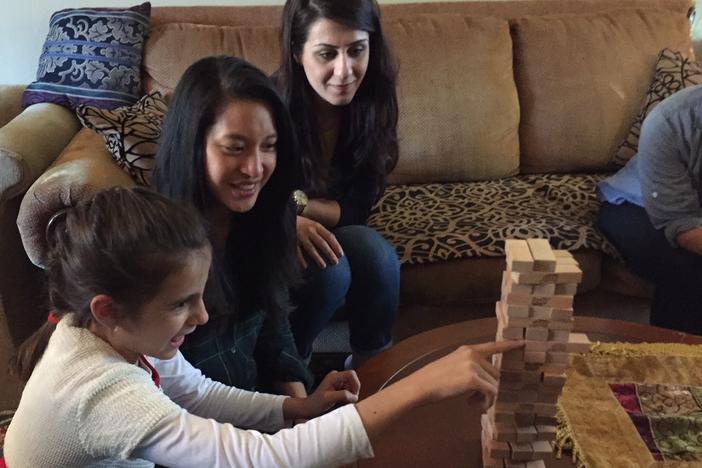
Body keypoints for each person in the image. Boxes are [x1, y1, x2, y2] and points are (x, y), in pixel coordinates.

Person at [4, 186, 524, 467]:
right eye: (182, 304)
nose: (202, 317)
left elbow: (198, 393)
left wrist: (298, 408)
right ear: (107, 309)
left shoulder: (114, 333)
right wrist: (423, 385)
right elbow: (261, 459)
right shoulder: (102, 392)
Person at [153, 56, 312, 396]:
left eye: (269, 147)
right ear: (193, 147)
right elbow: (176, 394)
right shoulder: (156, 243)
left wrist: (303, 409)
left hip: (253, 409)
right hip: (191, 427)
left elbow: (275, 330)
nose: (255, 168)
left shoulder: (271, 214)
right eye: (235, 149)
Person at [274, 0, 401, 368]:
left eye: (356, 50)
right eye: (327, 54)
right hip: (265, 232)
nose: (344, 70)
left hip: (334, 227)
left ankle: (372, 368)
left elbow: (357, 210)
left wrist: (295, 205)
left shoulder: (374, 102)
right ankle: (288, 369)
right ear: (298, 53)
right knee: (330, 270)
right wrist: (286, 220)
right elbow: (248, 198)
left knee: (375, 254)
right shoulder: (269, 106)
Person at [597, 84, 702, 335]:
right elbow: (682, 225)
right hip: (638, 205)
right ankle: (671, 362)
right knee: (689, 271)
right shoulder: (669, 122)